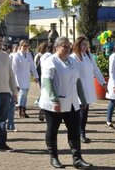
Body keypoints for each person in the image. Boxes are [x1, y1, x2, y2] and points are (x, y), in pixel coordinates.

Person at [39, 36, 92, 168]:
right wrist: (55, 100)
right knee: (52, 130)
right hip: (54, 103)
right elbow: (47, 82)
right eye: (64, 46)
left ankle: (77, 159)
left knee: (74, 130)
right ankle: (54, 158)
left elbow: (77, 81)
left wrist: (83, 99)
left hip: (72, 101)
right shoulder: (50, 61)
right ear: (56, 47)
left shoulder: (72, 61)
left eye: (69, 46)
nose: (68, 48)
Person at [71, 36, 106, 144]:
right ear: (77, 45)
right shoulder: (73, 57)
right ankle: (79, 134)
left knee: (85, 113)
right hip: (78, 89)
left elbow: (96, 70)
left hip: (88, 88)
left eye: (86, 44)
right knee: (80, 112)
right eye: (83, 44)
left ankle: (82, 133)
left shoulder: (89, 56)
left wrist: (103, 82)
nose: (85, 47)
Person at [12, 40, 39, 118]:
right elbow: (14, 69)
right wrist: (16, 81)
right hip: (19, 77)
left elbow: (32, 66)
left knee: (25, 94)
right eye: (24, 46)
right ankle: (20, 110)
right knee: (22, 93)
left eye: (27, 46)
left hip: (26, 77)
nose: (26, 47)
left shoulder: (29, 54)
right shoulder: (16, 55)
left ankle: (24, 110)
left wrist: (36, 76)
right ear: (20, 46)